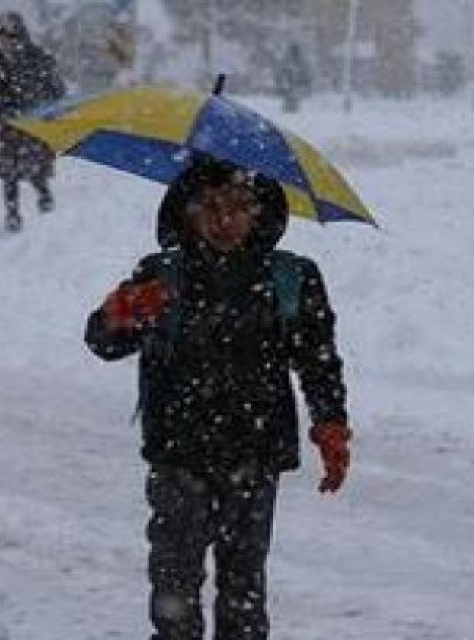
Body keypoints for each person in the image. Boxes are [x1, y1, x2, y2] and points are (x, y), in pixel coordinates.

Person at [84, 156, 353, 640]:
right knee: (174, 583)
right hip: (179, 452)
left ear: (260, 212)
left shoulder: (290, 279)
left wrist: (330, 424)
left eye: (238, 206)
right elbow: (104, 343)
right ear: (187, 211)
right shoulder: (163, 274)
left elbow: (318, 359)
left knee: (244, 589)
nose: (224, 220)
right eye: (209, 206)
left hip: (255, 453)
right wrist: (122, 313)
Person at [0, 12, 66, 232]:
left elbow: (55, 88)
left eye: (8, 36)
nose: (3, 42)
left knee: (34, 167)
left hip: (32, 122)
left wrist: (42, 107)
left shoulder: (37, 57)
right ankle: (12, 213)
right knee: (7, 171)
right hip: (6, 124)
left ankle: (43, 192)